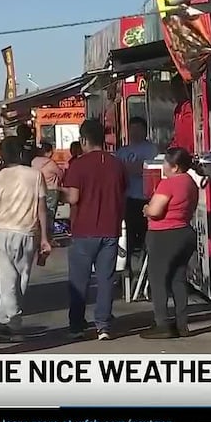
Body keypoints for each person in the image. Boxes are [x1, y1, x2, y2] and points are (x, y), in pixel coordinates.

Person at [61, 120, 126, 341]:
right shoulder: (117, 163)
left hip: (83, 230)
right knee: (105, 279)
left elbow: (74, 197)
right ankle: (104, 325)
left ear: (84, 140)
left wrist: (60, 193)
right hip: (110, 227)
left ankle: (77, 325)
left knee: (79, 280)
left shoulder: (78, 165)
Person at [0, 136, 51, 341]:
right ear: (21, 153)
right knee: (20, 279)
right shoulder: (35, 175)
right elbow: (42, 209)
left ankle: (3, 322)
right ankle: (12, 322)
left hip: (1, 231)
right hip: (27, 232)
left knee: (8, 278)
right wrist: (45, 237)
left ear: (1, 156)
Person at [141, 147, 199, 339]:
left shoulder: (168, 184)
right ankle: (182, 324)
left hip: (164, 234)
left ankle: (163, 324)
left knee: (158, 279)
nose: (163, 166)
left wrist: (146, 209)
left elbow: (156, 210)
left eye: (166, 162)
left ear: (174, 167)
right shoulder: (190, 182)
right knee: (178, 278)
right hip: (184, 232)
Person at [116, 117, 158, 266]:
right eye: (132, 129)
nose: (135, 133)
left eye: (138, 129)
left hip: (147, 199)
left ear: (144, 131)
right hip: (129, 200)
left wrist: (131, 168)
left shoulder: (152, 149)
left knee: (147, 236)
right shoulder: (122, 151)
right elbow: (118, 173)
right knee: (129, 237)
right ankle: (127, 271)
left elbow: (147, 170)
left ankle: (146, 266)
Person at [30, 142, 63, 244]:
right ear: (48, 152)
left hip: (37, 190)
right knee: (50, 215)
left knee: (39, 214)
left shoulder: (34, 162)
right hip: (51, 191)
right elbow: (60, 174)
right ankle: (49, 238)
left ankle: (39, 237)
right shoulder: (51, 163)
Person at [168, 75, 194, 154]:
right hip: (180, 155)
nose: (174, 92)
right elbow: (177, 136)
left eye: (176, 88)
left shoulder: (190, 107)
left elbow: (188, 136)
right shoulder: (178, 109)